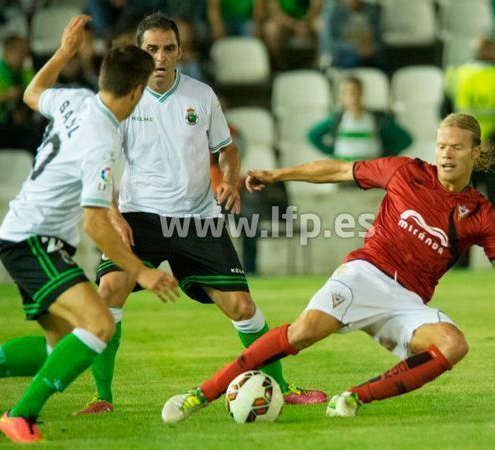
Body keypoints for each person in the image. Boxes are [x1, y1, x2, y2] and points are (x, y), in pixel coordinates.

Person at [161, 113, 495, 423]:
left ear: (475, 154)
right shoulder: (407, 171)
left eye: (457, 147)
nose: (445, 153)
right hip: (364, 274)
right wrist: (278, 174)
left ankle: (354, 397)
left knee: (453, 344)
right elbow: (339, 168)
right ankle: (202, 393)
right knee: (303, 333)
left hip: (407, 301)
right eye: (442, 145)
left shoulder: (480, 213)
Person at [75, 12, 326, 416]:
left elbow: (227, 149)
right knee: (108, 293)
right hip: (139, 216)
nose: (160, 57)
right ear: (139, 53)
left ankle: (279, 385)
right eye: (151, 49)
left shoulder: (201, 95)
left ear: (180, 51)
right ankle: (102, 396)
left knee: (243, 309)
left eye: (168, 48)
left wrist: (229, 179)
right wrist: (114, 212)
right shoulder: (122, 99)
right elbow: (98, 162)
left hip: (198, 218)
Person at [0, 16, 178, 443]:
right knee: (100, 326)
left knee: (57, 346)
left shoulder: (76, 100)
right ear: (137, 92)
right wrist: (142, 271)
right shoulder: (102, 138)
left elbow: (31, 93)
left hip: (23, 233)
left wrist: (63, 53)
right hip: (34, 239)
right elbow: (95, 223)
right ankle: (20, 415)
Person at [443, 36, 495, 230]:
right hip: (493, 151)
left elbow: (444, 114)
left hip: (463, 151)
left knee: (461, 207)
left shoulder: (455, 76)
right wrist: (493, 139)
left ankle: (461, 258)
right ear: (489, 51)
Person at [0, 35, 43, 190]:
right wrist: (6, 96)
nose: (24, 56)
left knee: (37, 134)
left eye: (26, 52)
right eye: (20, 52)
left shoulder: (26, 73)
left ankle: (39, 182)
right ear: (8, 52)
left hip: (17, 126)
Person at [308, 76, 412, 161]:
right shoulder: (336, 120)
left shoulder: (377, 119)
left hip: (370, 173)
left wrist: (384, 154)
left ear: (361, 92)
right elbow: (313, 135)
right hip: (344, 172)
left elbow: (405, 139)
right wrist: (332, 152)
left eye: (354, 91)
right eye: (345, 92)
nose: (351, 95)